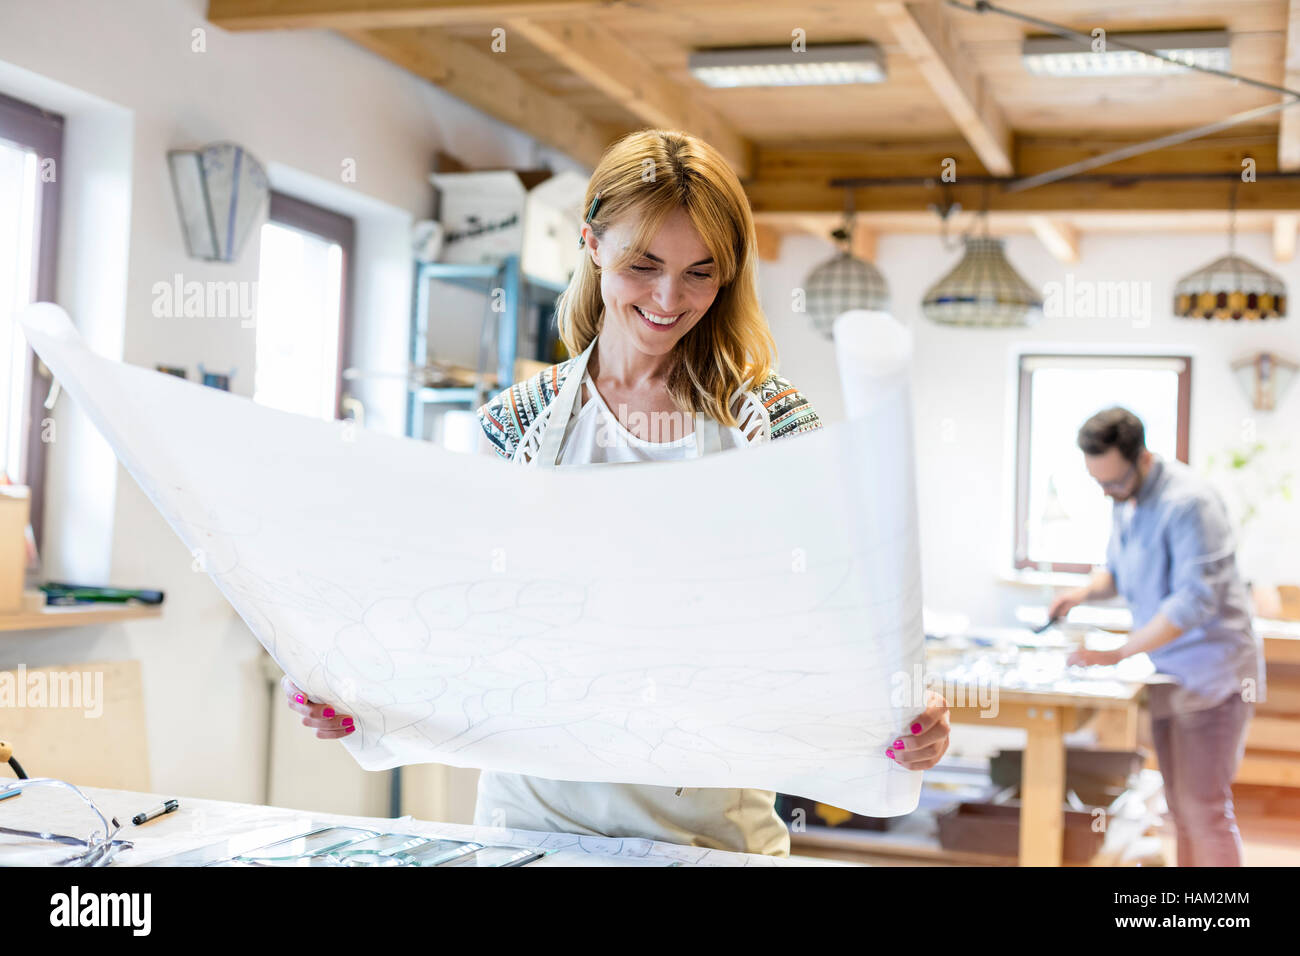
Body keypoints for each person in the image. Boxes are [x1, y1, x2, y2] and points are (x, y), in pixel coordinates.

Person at [286, 128, 949, 857]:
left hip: (707, 831)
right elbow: (449, 612)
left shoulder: (770, 424)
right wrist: (357, 690)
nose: (670, 298)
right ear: (592, 244)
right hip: (536, 823)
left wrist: (899, 713)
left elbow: (842, 612)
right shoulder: (516, 426)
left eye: (702, 272)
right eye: (644, 264)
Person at [1052, 406, 1265, 866]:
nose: (1108, 493)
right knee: (1181, 809)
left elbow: (1193, 601)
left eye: (1114, 482)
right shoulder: (1125, 503)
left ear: (1143, 457)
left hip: (1213, 677)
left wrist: (1121, 652)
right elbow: (1120, 574)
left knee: (1203, 810)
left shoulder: (1191, 503)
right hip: (1169, 673)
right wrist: (1081, 593)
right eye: (1099, 485)